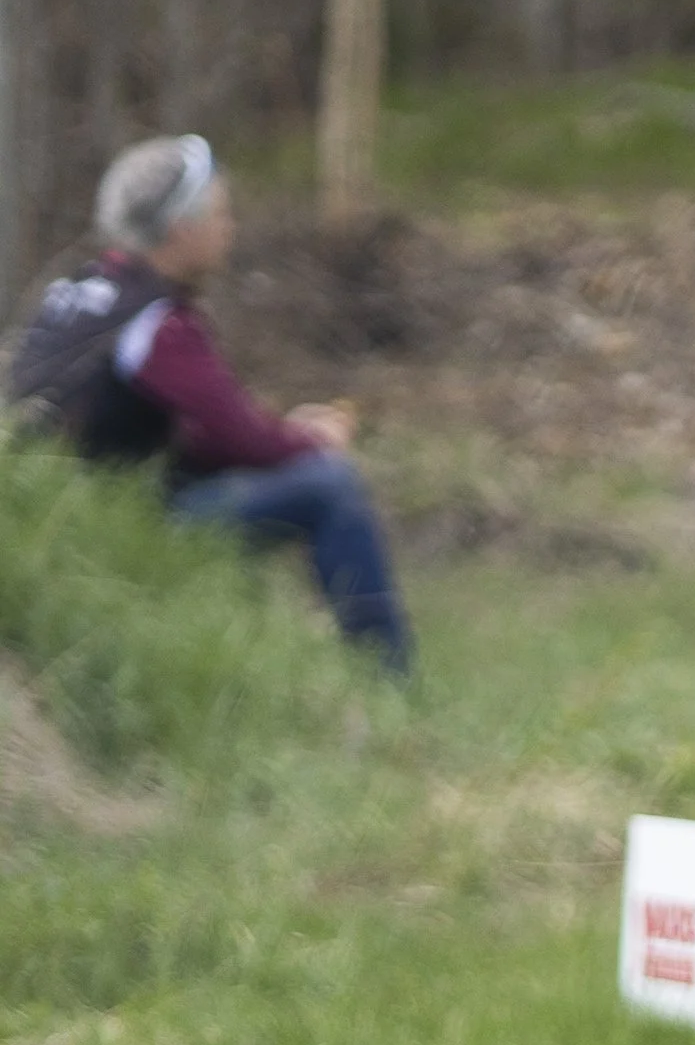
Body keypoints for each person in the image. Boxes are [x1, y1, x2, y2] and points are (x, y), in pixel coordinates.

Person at [7, 135, 414, 674]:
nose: (231, 229)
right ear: (181, 229)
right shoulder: (157, 323)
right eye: (221, 213)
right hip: (129, 523)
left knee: (234, 481)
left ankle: (264, 665)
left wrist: (275, 436)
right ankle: (388, 680)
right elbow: (239, 438)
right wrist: (309, 438)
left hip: (64, 517)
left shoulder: (75, 293)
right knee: (328, 484)